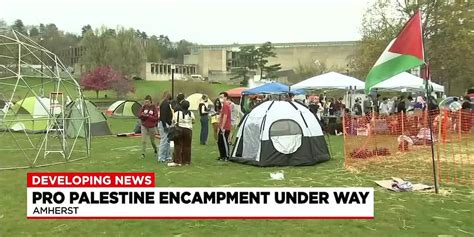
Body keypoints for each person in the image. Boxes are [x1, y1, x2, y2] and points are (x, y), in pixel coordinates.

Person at [168, 100, 195, 167]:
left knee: (178, 145)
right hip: (188, 130)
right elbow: (193, 121)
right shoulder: (191, 113)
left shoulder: (177, 113)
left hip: (179, 129)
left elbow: (173, 121)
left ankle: (177, 161)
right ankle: (186, 161)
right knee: (187, 146)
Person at [138, 95, 159, 159]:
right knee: (143, 140)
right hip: (144, 126)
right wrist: (143, 115)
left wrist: (148, 116)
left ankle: (155, 150)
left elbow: (156, 118)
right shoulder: (144, 107)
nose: (146, 103)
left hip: (151, 127)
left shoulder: (154, 108)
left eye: (147, 102)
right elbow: (139, 115)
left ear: (150, 101)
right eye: (145, 102)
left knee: (152, 141)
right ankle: (143, 154)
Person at [158, 91, 173, 163]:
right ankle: (161, 157)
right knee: (164, 141)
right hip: (164, 123)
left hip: (166, 123)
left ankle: (167, 156)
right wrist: (164, 126)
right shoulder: (165, 104)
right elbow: (163, 115)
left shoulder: (164, 103)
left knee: (167, 141)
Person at [217, 92, 232, 161]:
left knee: (224, 141)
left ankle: (226, 156)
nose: (221, 98)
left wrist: (222, 127)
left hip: (225, 127)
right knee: (220, 141)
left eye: (222, 97)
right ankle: (222, 156)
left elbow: (225, 116)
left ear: (226, 97)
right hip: (222, 126)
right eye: (220, 97)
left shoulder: (226, 105)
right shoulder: (223, 105)